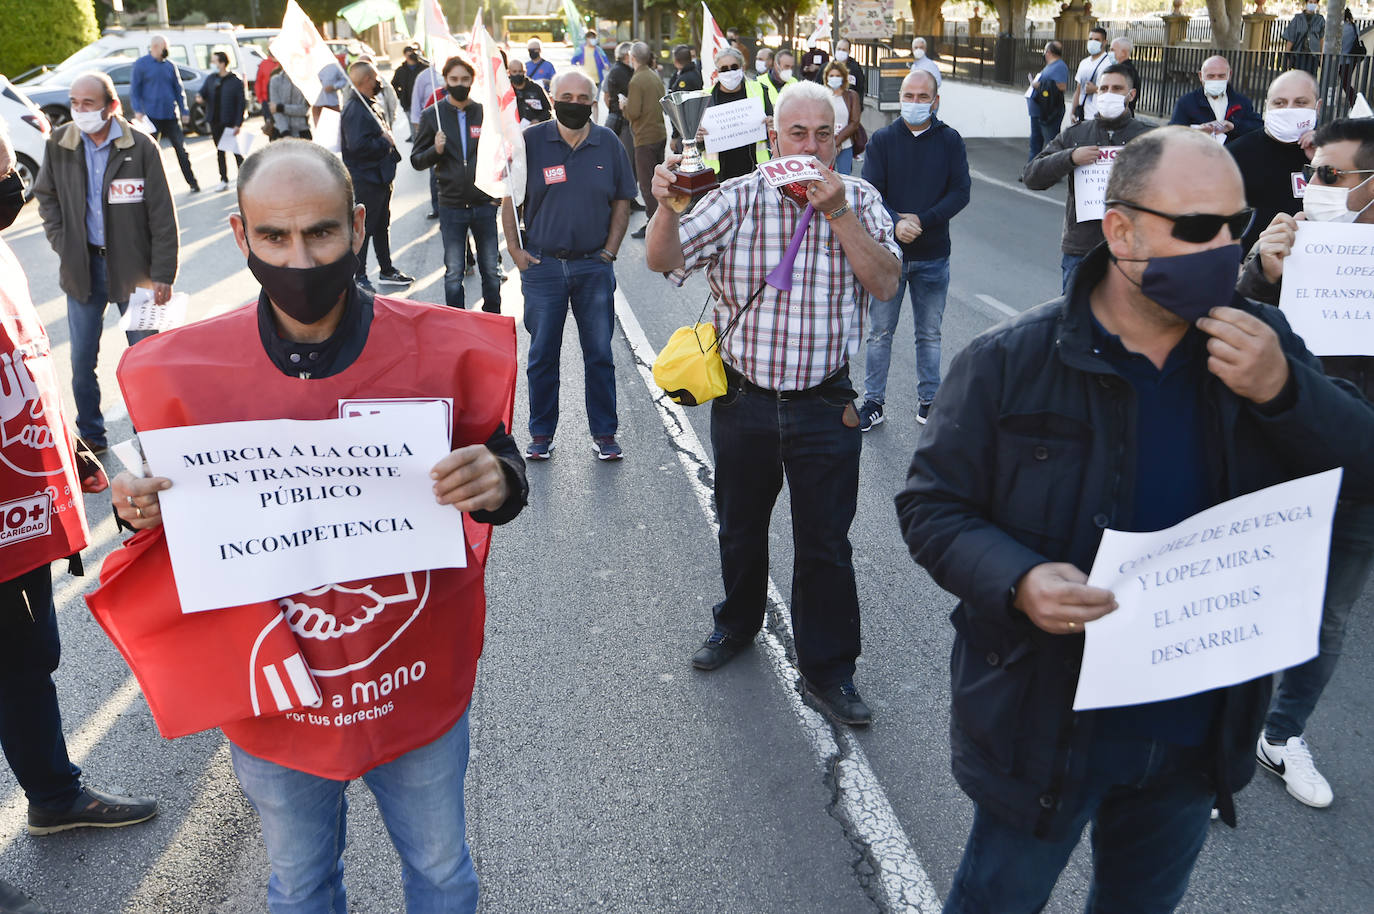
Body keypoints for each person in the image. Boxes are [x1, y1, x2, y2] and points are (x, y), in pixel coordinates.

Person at [895, 125, 1374, 914]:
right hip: (1047, 728)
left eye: (1236, 225)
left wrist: (1285, 391)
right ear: (1119, 229)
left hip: (1195, 736)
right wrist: (1016, 580)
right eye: (1196, 228)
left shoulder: (1265, 344)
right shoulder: (1011, 360)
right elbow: (931, 506)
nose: (1224, 247)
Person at [107, 137, 528, 914]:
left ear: (358, 226)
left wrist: (498, 478)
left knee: (441, 873)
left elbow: (501, 467)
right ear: (240, 236)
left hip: (413, 681)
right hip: (277, 698)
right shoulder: (188, 373)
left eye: (321, 233)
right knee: (300, 884)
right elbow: (159, 509)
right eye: (274, 237)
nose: (299, 258)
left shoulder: (437, 349)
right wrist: (134, 506)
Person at [645, 80, 901, 727]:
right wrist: (666, 207)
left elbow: (886, 281)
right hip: (747, 400)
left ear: (840, 140)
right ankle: (737, 624)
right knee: (739, 526)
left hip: (826, 404)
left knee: (825, 544)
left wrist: (840, 212)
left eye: (824, 134)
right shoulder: (737, 198)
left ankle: (829, 670)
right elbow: (661, 259)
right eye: (797, 133)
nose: (810, 146)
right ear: (772, 136)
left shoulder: (862, 200)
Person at [0, 120, 159, 914]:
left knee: (28, 660)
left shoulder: (2, 253)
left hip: (19, 505)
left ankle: (54, 795)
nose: (11, 181)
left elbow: (23, 361)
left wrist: (69, 449)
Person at [1233, 117, 1374, 809]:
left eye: (1329, 177)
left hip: (1364, 481)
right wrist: (1263, 270)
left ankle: (1281, 736)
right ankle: (1211, 745)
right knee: (1248, 598)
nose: (1310, 187)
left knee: (1329, 620)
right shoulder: (1295, 245)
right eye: (1310, 173)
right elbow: (1233, 319)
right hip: (1282, 461)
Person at [34, 71, 178, 452]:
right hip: (82, 270)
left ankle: (152, 435)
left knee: (146, 359)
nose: (79, 111)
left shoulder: (141, 147)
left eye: (88, 104)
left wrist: (163, 273)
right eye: (74, 103)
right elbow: (44, 195)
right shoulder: (60, 142)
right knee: (81, 361)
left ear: (112, 106)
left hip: (138, 273)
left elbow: (162, 215)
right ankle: (93, 436)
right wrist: (62, 241)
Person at [502, 70, 635, 461]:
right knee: (542, 355)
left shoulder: (608, 142)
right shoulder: (529, 142)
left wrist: (609, 253)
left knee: (599, 354)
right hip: (542, 268)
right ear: (552, 97)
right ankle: (541, 433)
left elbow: (622, 201)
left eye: (582, 98)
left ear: (593, 103)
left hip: (593, 268)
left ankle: (604, 433)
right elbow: (508, 198)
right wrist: (514, 250)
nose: (574, 104)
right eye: (567, 96)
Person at [857, 68, 968, 432]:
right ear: (900, 97)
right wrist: (896, 223)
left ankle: (929, 401)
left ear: (935, 101)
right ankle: (873, 402)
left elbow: (959, 192)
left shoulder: (950, 140)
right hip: (889, 254)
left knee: (930, 333)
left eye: (923, 97)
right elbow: (871, 193)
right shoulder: (882, 141)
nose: (915, 102)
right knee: (879, 332)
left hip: (934, 254)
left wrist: (922, 219)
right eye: (909, 96)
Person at [1024, 64, 1151, 291]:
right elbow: (1032, 177)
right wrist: (1070, 157)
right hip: (1081, 249)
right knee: (1076, 321)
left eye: (1117, 88)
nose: (1108, 94)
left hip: (1132, 249)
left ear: (1131, 95)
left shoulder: (1148, 138)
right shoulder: (1076, 134)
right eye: (1103, 89)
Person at [411, 56, 502, 314]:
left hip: (484, 204)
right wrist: (435, 151)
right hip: (451, 206)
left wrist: (497, 194)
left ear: (472, 80)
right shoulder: (433, 115)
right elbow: (417, 160)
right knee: (453, 272)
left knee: (491, 272)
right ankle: (457, 322)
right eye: (454, 80)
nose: (459, 84)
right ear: (445, 81)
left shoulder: (484, 112)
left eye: (464, 79)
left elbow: (500, 153)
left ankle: (492, 320)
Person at [1227, 69, 1318, 254]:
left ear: (1318, 106)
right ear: (1267, 106)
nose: (1290, 110)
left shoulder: (1332, 153)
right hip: (1249, 269)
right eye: (1280, 103)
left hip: (1309, 268)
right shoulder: (1232, 155)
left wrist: (1323, 163)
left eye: (1300, 103)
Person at [340, 61, 412, 292]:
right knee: (365, 227)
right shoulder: (355, 108)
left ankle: (387, 269)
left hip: (380, 177)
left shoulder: (369, 103)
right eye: (375, 76)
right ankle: (359, 275)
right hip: (366, 179)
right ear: (366, 80)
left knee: (382, 225)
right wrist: (384, 141)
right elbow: (357, 145)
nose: (379, 80)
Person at [129, 34, 200, 193]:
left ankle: (193, 182)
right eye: (164, 47)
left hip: (170, 115)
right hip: (151, 116)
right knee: (148, 152)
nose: (167, 51)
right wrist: (138, 111)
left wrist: (184, 110)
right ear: (155, 47)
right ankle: (147, 188)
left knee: (181, 150)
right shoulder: (141, 65)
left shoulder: (170, 66)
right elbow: (135, 90)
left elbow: (178, 89)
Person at [699, 47, 773, 182]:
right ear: (717, 72)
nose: (730, 72)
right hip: (720, 174)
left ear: (742, 67)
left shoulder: (759, 90)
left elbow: (772, 132)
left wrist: (771, 125)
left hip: (754, 170)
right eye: (724, 69)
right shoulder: (705, 98)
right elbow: (698, 144)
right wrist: (698, 138)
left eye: (734, 67)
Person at [624, 42, 667, 239]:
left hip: (644, 137)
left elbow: (633, 112)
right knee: (659, 181)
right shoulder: (653, 75)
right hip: (659, 133)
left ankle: (654, 222)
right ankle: (662, 219)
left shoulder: (636, 80)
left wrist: (623, 105)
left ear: (632, 58)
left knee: (648, 184)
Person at [1168, 55, 1262, 145]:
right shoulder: (1187, 102)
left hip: (1232, 157)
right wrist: (1197, 131)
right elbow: (1172, 132)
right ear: (1201, 76)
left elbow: (1257, 127)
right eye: (1211, 76)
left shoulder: (1242, 102)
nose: (1216, 80)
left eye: (1221, 76)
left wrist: (1233, 126)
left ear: (1229, 75)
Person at [198, 51, 245, 192]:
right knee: (220, 151)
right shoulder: (211, 79)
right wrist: (200, 98)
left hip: (229, 121)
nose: (212, 64)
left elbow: (241, 104)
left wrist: (238, 123)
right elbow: (203, 93)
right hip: (215, 120)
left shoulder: (235, 81)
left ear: (222, 63)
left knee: (236, 152)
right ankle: (223, 179)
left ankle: (244, 178)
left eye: (214, 61)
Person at [1027, 40, 1069, 162]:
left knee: (1050, 142)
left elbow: (1061, 86)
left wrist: (1039, 85)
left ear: (1049, 52)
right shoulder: (1050, 66)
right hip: (1039, 110)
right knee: (1036, 141)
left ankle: (1052, 168)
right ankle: (1032, 168)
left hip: (1048, 112)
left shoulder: (1059, 66)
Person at [826, 60, 862, 175]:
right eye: (831, 76)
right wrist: (830, 142)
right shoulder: (822, 96)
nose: (834, 78)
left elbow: (854, 122)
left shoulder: (852, 96)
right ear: (826, 77)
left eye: (837, 75)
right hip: (825, 146)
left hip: (845, 145)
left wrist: (837, 141)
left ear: (843, 77)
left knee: (844, 180)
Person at [1071, 26, 1110, 122]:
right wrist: (1073, 112)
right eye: (1090, 39)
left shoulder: (1109, 63)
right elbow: (1078, 90)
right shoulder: (1084, 62)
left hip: (1098, 117)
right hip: (1082, 116)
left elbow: (1115, 91)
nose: (1093, 42)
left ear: (1104, 42)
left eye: (1097, 40)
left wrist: (1096, 89)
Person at [391, 45, 426, 140]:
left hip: (423, 104)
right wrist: (400, 95)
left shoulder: (424, 68)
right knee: (414, 128)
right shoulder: (401, 70)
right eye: (409, 54)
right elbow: (393, 85)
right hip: (408, 104)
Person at [269, 67, 311, 140]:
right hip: (280, 132)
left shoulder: (308, 82)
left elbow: (305, 110)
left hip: (302, 132)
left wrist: (280, 108)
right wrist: (285, 133)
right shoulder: (275, 80)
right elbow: (274, 109)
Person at [509, 58, 552, 127]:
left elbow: (548, 111)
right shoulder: (505, 90)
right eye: (514, 72)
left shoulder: (536, 89)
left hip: (534, 129)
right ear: (509, 72)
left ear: (524, 72)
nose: (517, 74)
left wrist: (538, 120)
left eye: (520, 71)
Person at [1285, 1, 1326, 73]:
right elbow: (1291, 38)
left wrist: (1321, 56)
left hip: (1313, 56)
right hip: (1299, 55)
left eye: (1314, 2)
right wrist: (1287, 56)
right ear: (1306, 3)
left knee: (1311, 79)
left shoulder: (1320, 19)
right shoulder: (1297, 19)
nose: (1312, 4)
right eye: (1310, 2)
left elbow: (1321, 39)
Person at [1109, 38, 1139, 114]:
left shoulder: (1123, 71)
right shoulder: (1129, 69)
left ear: (1124, 53)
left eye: (1113, 50)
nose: (1110, 53)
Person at [834, 39, 866, 106]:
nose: (840, 52)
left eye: (844, 50)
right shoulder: (827, 67)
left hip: (849, 106)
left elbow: (860, 88)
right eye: (839, 49)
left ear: (849, 51)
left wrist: (858, 107)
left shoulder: (855, 69)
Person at [1341, 9, 1362, 106]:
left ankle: (1355, 102)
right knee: (1346, 82)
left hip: (1341, 60)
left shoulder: (1340, 28)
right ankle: (1354, 102)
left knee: (1344, 82)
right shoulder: (1354, 26)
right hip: (1352, 59)